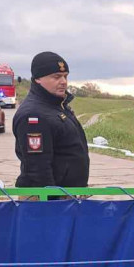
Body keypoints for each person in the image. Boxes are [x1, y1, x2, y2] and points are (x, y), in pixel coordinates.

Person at [13, 52, 89, 193]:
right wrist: (51, 205)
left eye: (65, 76)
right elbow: (38, 169)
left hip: (67, 196)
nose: (63, 82)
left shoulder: (57, 106)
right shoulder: (34, 115)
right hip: (49, 200)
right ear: (38, 79)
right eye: (56, 77)